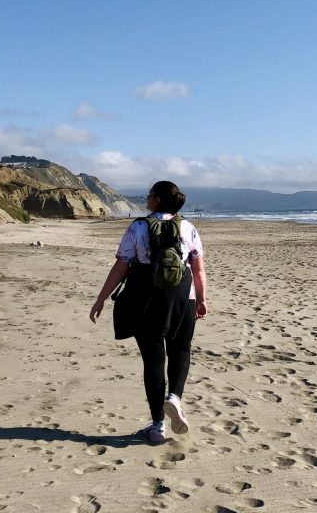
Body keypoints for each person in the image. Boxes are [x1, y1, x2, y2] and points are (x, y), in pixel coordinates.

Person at [89, 180, 207, 443]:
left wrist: (100, 299)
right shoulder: (187, 227)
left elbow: (121, 267)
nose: (147, 197)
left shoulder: (138, 226)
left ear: (156, 200)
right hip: (182, 297)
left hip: (145, 298)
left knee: (153, 359)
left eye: (149, 194)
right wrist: (201, 299)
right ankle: (174, 397)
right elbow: (198, 269)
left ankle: (157, 426)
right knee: (181, 350)